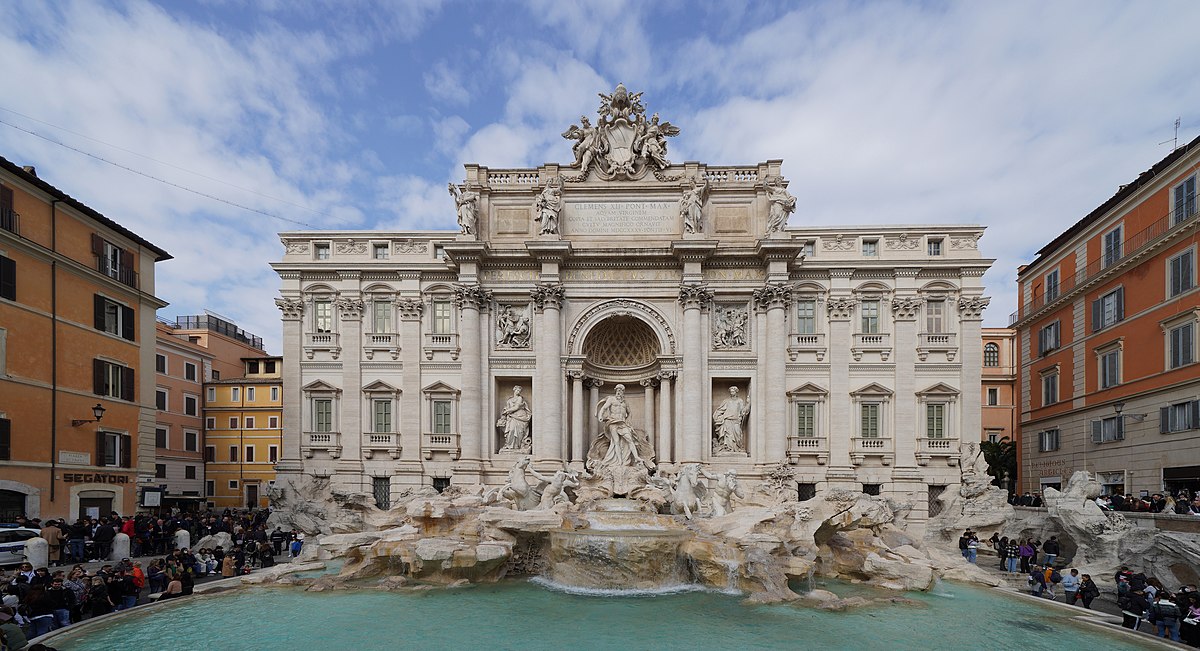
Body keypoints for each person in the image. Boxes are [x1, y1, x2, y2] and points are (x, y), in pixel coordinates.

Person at [711, 386, 750, 454]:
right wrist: (717, 416)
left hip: (736, 420)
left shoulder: (740, 401)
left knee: (737, 434)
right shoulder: (726, 401)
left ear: (736, 392)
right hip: (727, 420)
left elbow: (743, 411)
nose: (732, 393)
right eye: (731, 391)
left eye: (733, 391)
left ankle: (737, 448)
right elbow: (720, 410)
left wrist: (748, 404)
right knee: (728, 435)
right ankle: (728, 448)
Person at [497, 386, 532, 452]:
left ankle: (516, 447)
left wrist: (507, 411)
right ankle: (509, 446)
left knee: (518, 432)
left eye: (519, 391)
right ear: (514, 390)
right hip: (511, 417)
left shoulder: (520, 398)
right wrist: (504, 414)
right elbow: (506, 408)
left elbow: (516, 407)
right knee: (511, 430)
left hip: (520, 417)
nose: (518, 392)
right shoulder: (509, 400)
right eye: (517, 390)